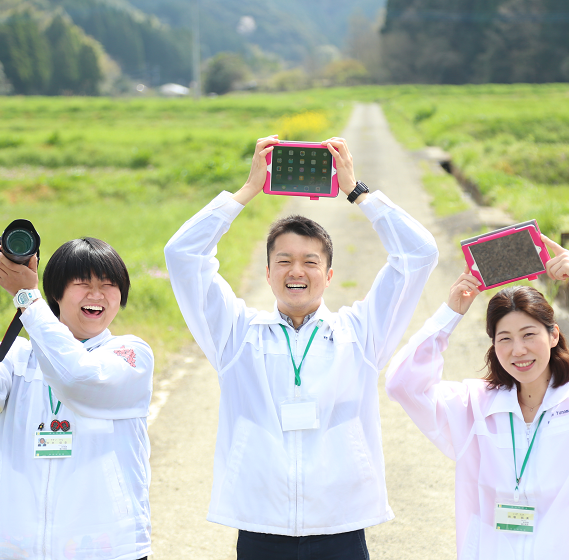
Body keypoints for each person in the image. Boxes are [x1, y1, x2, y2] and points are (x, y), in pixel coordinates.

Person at [165, 135, 438, 559]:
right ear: (269, 272)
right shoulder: (237, 336)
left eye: (310, 261)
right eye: (284, 261)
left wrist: (357, 192)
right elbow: (183, 255)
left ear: (329, 275)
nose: (297, 271)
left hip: (342, 526)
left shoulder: (360, 334)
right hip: (260, 526)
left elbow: (418, 255)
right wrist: (246, 192)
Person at [385, 235, 569, 559]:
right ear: (494, 346)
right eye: (505, 338)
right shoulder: (474, 407)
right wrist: (450, 313)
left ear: (553, 334)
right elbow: (402, 383)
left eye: (529, 334)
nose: (518, 350)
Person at [0, 234, 153, 560]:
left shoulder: (129, 355)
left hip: (105, 547)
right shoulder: (18, 356)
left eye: (108, 285)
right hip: (18, 546)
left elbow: (79, 377)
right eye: (83, 283)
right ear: (55, 292)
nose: (97, 295)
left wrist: (27, 298)